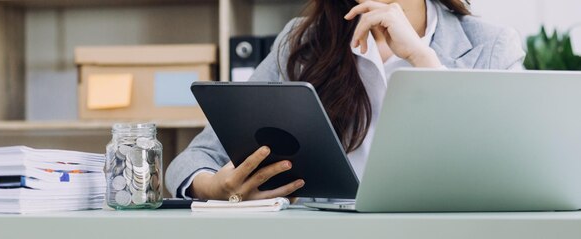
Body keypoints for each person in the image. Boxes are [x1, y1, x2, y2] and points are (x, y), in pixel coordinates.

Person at [165, 0, 526, 201]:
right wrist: (216, 187)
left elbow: (517, 171)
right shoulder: (301, 43)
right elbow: (196, 158)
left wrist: (423, 60)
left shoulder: (491, 47)